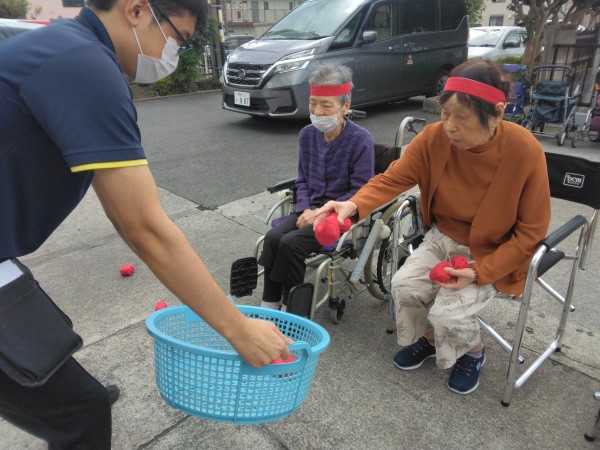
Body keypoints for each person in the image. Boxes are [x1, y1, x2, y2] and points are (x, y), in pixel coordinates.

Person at [0, 0, 291, 447]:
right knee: (81, 413)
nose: (173, 54)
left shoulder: (64, 49)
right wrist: (238, 329)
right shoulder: (84, 67)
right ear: (136, 10)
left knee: (57, 372)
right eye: (178, 38)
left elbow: (124, 210)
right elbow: (145, 228)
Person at [314, 58, 551, 395]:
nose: (449, 127)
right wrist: (351, 206)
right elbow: (392, 179)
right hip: (443, 238)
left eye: (462, 117)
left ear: (497, 114)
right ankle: (430, 338)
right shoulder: (434, 138)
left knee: (449, 315)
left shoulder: (525, 151)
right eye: (445, 113)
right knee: (404, 286)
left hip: (493, 251)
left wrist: (480, 271)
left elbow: (532, 232)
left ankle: (474, 350)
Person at [258, 64, 374, 311]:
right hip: (309, 209)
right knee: (273, 238)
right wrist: (305, 209)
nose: (318, 111)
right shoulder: (307, 135)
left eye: (326, 105)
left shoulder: (360, 139)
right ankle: (270, 302)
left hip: (339, 215)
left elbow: (360, 190)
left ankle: (294, 309)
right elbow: (302, 180)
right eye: (313, 103)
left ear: (345, 106)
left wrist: (322, 213)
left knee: (291, 244)